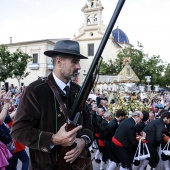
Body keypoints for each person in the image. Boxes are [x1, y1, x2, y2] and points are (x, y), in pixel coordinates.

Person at [11, 40, 93, 170]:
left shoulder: (78, 90)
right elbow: (18, 130)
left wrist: (83, 141)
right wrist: (53, 139)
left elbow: (89, 124)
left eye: (78, 62)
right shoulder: (36, 90)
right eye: (74, 61)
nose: (78, 66)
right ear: (59, 62)